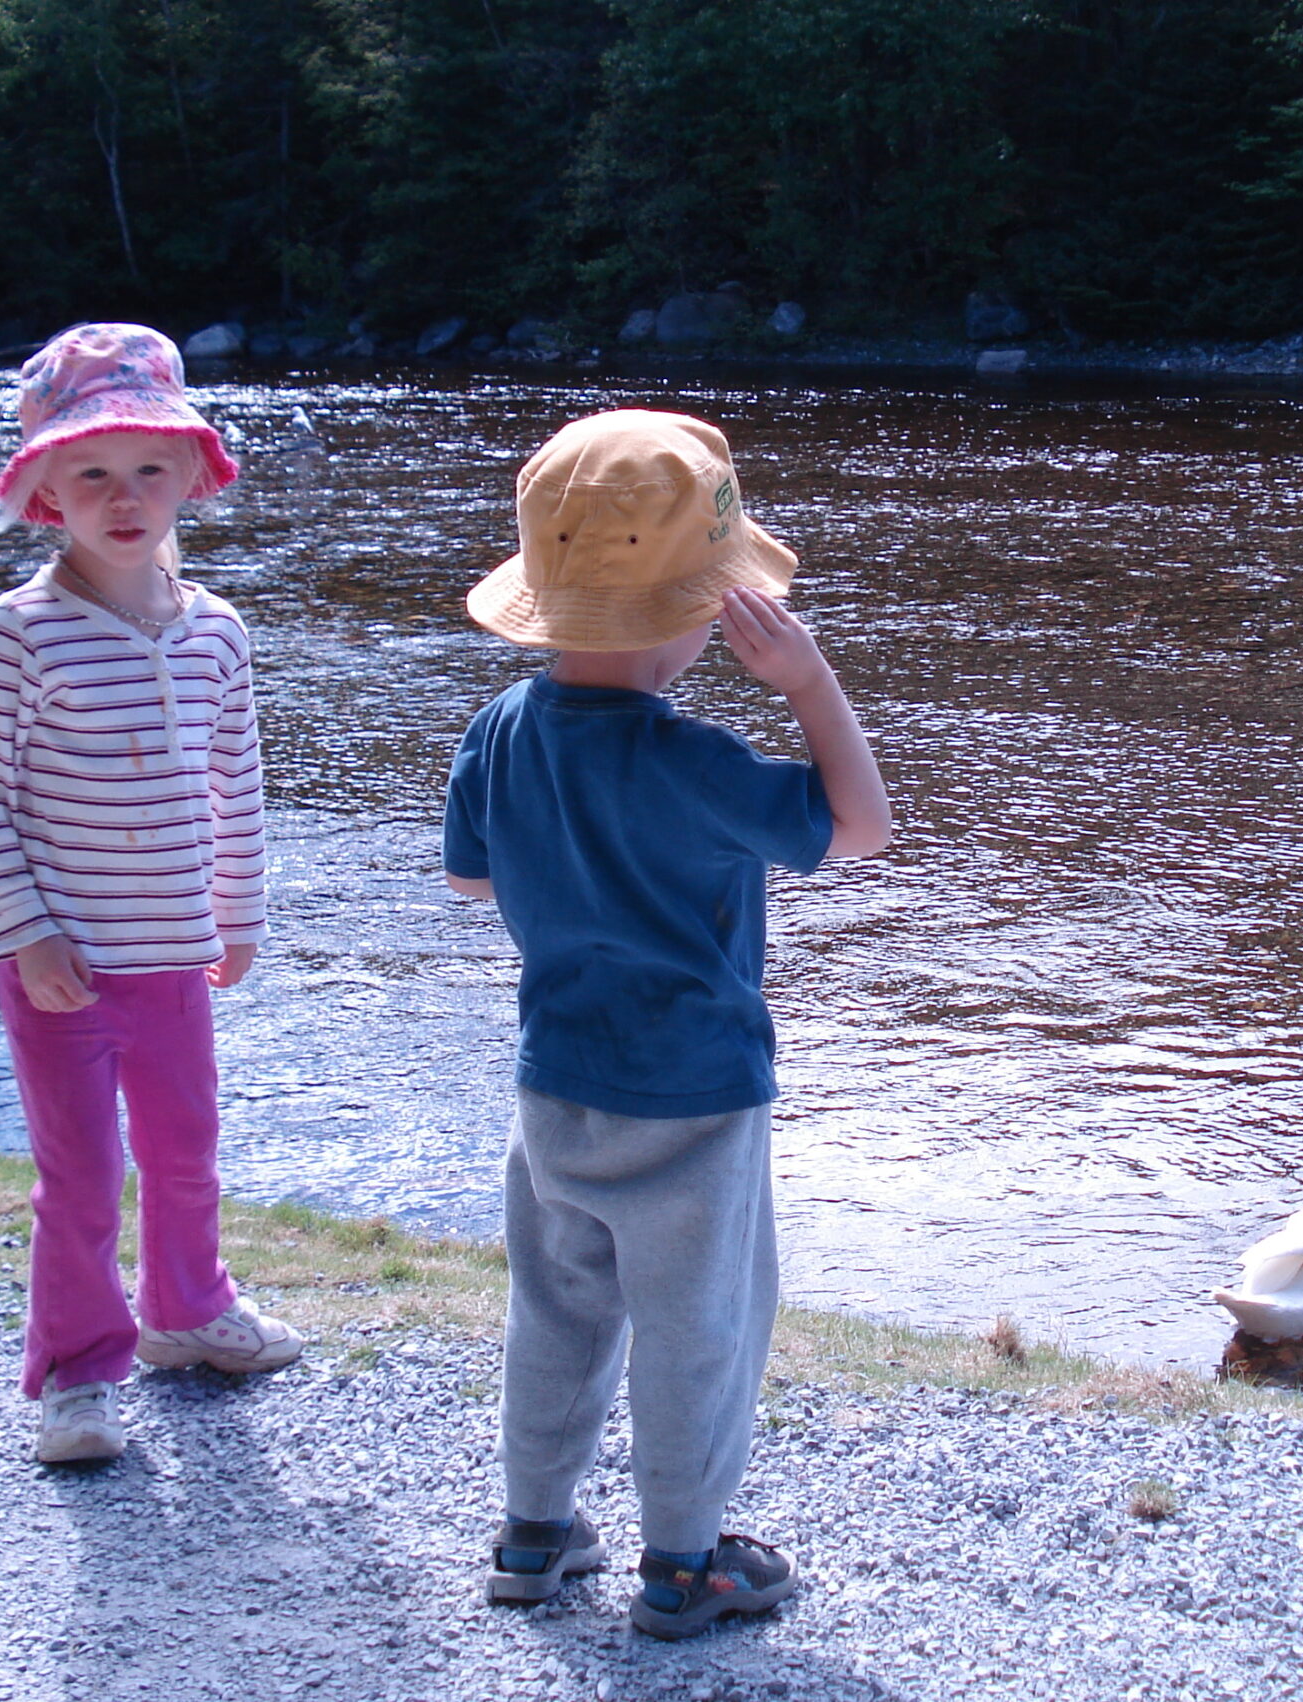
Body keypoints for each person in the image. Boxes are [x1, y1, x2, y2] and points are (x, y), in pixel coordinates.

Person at [442, 408, 890, 1638]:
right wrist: (809, 682)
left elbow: (473, 881)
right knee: (698, 1333)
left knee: (559, 1306)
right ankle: (683, 1563)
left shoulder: (497, 732)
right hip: (693, 1097)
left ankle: (534, 1531)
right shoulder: (698, 764)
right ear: (697, 620)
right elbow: (859, 829)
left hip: (556, 1082)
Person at [0, 322, 301, 1466]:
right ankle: (79, 1371)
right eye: (91, 470)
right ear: (45, 488)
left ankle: (188, 1313)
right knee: (84, 1173)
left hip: (173, 951)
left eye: (151, 468)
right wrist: (28, 929)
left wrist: (239, 914)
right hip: (63, 962)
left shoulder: (216, 633)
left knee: (188, 1145)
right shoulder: (20, 633)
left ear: (194, 476)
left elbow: (235, 784)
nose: (124, 494)